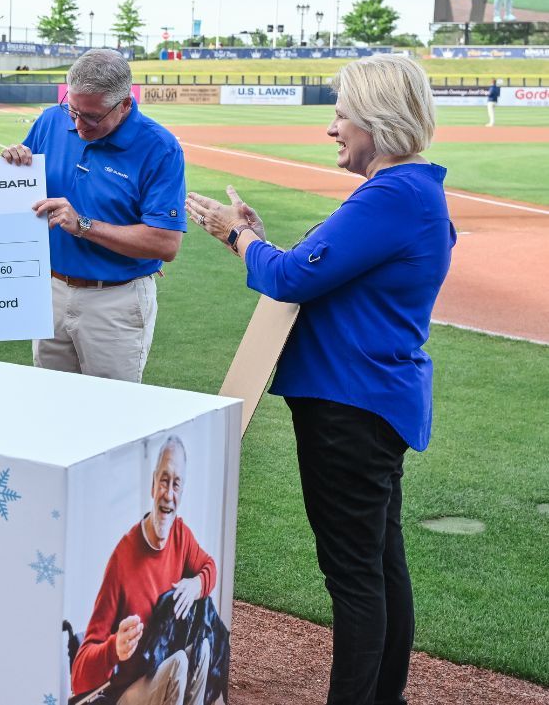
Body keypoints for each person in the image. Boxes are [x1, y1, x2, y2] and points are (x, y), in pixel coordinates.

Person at [185, 54, 453, 705]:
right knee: (379, 570)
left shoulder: (393, 193)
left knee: (356, 579)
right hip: (367, 400)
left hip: (349, 406)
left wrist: (235, 237)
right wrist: (257, 237)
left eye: (342, 114)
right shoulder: (410, 192)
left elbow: (291, 277)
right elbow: (316, 270)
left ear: (377, 118)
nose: (333, 128)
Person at [0, 49, 185, 384]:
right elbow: (23, 192)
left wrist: (83, 225)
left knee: (112, 415)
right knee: (50, 405)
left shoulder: (160, 148)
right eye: (72, 110)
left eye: (91, 117)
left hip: (115, 300)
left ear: (125, 105)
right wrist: (13, 163)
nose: (78, 124)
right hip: (51, 290)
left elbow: (166, 243)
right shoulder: (50, 121)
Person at [72, 437, 216, 704]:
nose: (169, 493)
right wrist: (114, 648)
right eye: (164, 480)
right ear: (152, 485)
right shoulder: (122, 559)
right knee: (179, 665)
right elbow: (79, 674)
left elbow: (210, 567)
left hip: (156, 671)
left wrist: (196, 585)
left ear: (182, 493)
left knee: (203, 647)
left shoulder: (181, 536)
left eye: (176, 484)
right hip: (124, 693)